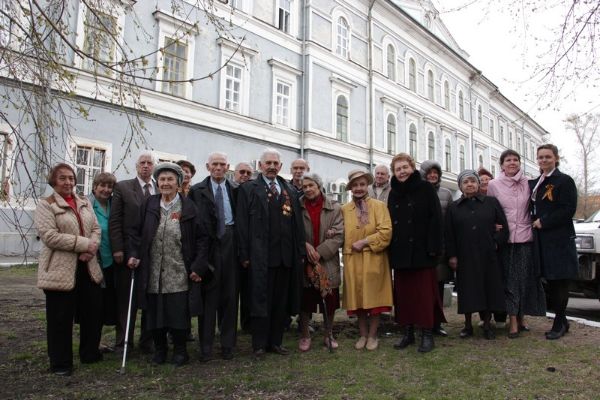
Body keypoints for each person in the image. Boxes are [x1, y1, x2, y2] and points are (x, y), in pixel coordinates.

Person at [127, 163, 210, 366]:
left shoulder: (188, 207)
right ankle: (160, 349)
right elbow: (135, 233)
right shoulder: (149, 205)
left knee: (178, 313)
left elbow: (202, 239)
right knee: (154, 313)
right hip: (153, 269)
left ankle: (180, 351)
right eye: (162, 180)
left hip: (178, 269)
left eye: (170, 179)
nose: (165, 183)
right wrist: (133, 254)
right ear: (158, 183)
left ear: (178, 183)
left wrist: (198, 266)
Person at [236, 148, 305, 359]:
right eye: (268, 163)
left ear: (281, 167)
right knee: (260, 301)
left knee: (280, 302)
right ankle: (258, 345)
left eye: (276, 163)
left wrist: (299, 252)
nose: (272, 166)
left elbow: (297, 226)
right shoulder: (249, 189)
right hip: (260, 257)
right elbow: (241, 225)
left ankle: (276, 342)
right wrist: (244, 254)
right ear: (260, 165)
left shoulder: (288, 190)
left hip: (285, 257)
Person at [35, 163, 103, 376]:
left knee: (93, 314)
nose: (68, 182)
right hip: (60, 269)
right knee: (60, 319)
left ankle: (90, 353)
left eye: (71, 178)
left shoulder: (84, 202)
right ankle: (61, 363)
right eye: (63, 178)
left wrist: (91, 249)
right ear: (54, 181)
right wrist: (83, 244)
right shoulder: (46, 204)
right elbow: (49, 236)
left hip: (88, 267)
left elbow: (95, 228)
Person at [388, 154, 445, 353]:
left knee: (424, 295)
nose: (402, 171)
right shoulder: (393, 192)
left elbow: (436, 219)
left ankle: (427, 334)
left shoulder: (425, 188)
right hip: (401, 252)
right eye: (398, 169)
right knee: (404, 296)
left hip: (422, 251)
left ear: (412, 168)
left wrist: (434, 249)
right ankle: (408, 332)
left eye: (405, 167)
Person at [487, 150, 546, 338]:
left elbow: (536, 207)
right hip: (506, 240)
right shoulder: (494, 185)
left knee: (524, 279)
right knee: (510, 280)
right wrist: (493, 225)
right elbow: (491, 209)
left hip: (526, 237)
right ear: (502, 165)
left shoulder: (529, 183)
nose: (512, 163)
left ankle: (521, 317)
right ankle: (512, 320)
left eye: (515, 160)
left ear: (519, 163)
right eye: (508, 160)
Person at [445, 170, 508, 340]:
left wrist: (495, 242)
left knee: (488, 289)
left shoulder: (491, 202)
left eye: (473, 181)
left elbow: (503, 227)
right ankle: (467, 325)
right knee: (467, 290)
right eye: (465, 182)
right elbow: (449, 234)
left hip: (487, 254)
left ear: (479, 184)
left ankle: (487, 325)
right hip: (464, 255)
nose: (470, 184)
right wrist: (452, 256)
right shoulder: (454, 208)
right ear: (460, 186)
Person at [189, 152, 239, 361]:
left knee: (229, 297)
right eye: (214, 164)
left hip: (230, 243)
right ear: (208, 167)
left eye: (222, 165)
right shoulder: (197, 191)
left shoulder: (235, 190)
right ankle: (206, 347)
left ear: (227, 167)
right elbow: (192, 225)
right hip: (208, 246)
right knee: (209, 299)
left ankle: (227, 345)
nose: (218, 168)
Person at [109, 151, 156, 354]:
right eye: (142, 163)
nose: (145, 166)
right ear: (136, 166)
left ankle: (148, 340)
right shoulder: (123, 187)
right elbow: (115, 220)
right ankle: (123, 341)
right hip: (129, 250)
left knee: (151, 297)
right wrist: (118, 248)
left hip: (154, 251)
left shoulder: (160, 187)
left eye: (149, 163)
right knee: (127, 298)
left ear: (154, 166)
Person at [529, 144, 578, 340]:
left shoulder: (563, 181)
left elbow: (568, 209)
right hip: (541, 239)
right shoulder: (536, 182)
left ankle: (559, 322)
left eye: (547, 157)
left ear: (556, 158)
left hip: (558, 240)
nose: (543, 160)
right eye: (540, 157)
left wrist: (544, 221)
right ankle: (562, 319)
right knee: (549, 280)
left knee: (559, 281)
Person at [341, 169, 393, 351]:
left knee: (375, 299)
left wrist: (365, 241)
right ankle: (362, 334)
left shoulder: (379, 206)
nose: (359, 188)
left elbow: (386, 232)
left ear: (367, 186)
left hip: (374, 258)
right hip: (352, 260)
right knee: (358, 299)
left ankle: (373, 335)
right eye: (355, 185)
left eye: (362, 184)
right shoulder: (344, 209)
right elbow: (340, 232)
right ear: (350, 188)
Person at [298, 173, 344, 352]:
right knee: (305, 300)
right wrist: (304, 245)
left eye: (311, 185)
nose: (308, 189)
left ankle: (328, 334)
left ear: (319, 186)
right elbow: (293, 231)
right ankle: (304, 335)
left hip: (327, 260)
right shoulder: (297, 206)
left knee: (329, 299)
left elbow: (340, 234)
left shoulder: (334, 207)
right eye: (305, 186)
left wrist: (320, 252)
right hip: (305, 261)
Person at [420, 160, 454, 337]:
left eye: (436, 173)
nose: (433, 175)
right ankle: (422, 322)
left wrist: (449, 250)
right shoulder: (418, 191)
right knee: (422, 288)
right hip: (421, 248)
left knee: (439, 288)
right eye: (429, 172)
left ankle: (436, 323)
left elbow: (449, 223)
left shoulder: (446, 193)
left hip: (440, 248)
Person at [88, 172, 118, 353]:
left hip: (111, 261)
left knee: (106, 304)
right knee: (93, 305)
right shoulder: (88, 205)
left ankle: (98, 340)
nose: (106, 190)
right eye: (103, 186)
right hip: (93, 261)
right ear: (94, 187)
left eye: (110, 187)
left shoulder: (113, 205)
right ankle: (92, 342)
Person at [477, 166, 507, 328]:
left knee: (497, 284)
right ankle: (484, 316)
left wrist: (496, 239)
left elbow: (503, 224)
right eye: (481, 181)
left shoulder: (496, 199)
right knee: (482, 284)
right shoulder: (470, 200)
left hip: (495, 249)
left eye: (487, 180)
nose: (484, 183)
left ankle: (501, 317)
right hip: (478, 250)